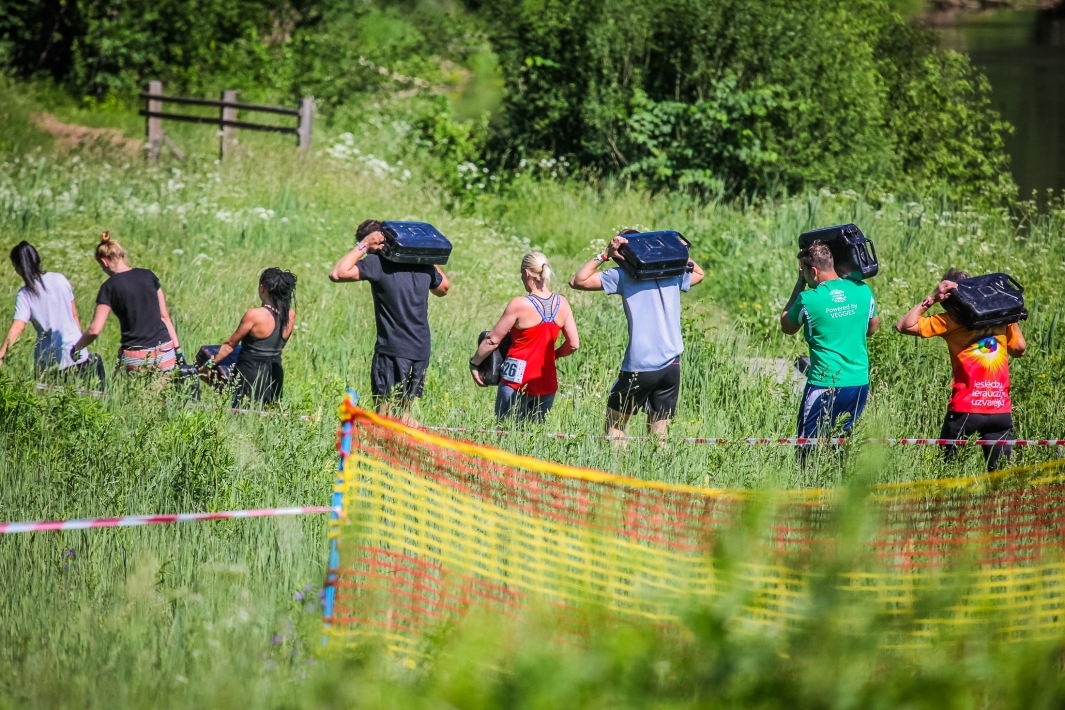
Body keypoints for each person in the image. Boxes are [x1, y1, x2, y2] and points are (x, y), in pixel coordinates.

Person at [570, 229, 704, 440]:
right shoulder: (672, 273)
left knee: (615, 426)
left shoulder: (623, 275)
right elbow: (699, 274)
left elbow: (578, 281)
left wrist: (605, 254)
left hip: (641, 364)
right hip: (672, 363)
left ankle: (618, 462)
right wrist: (676, 251)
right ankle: (659, 462)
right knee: (659, 437)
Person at [894, 268, 1026, 471]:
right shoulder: (999, 320)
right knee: (1000, 479)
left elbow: (904, 325)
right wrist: (1008, 314)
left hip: (965, 409)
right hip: (999, 408)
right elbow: (1019, 350)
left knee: (946, 472)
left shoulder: (950, 321)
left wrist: (932, 298)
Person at [329, 219, 450, 424]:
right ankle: (415, 442)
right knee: (404, 414)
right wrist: (423, 255)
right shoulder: (424, 266)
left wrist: (363, 245)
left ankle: (388, 444)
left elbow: (337, 273)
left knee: (384, 416)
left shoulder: (376, 262)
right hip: (420, 350)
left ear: (377, 243)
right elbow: (444, 288)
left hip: (393, 351)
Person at [780, 241, 878, 451]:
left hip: (824, 385)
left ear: (814, 271)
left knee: (807, 447)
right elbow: (871, 328)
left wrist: (800, 283)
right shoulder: (862, 290)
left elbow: (787, 326)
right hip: (858, 383)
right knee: (839, 444)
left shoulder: (808, 299)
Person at [469, 252, 579, 423]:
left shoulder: (519, 304)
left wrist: (474, 363)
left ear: (527, 273)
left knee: (506, 431)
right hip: (546, 381)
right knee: (535, 434)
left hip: (516, 381)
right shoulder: (562, 303)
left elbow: (492, 340)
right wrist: (551, 356)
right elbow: (573, 344)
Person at [69, 232, 183, 373]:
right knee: (160, 388)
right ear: (122, 256)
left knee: (120, 387)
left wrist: (77, 348)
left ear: (104, 261)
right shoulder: (149, 275)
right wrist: (178, 350)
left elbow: (94, 330)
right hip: (165, 351)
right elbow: (165, 317)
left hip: (136, 356)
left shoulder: (109, 287)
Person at [0, 241, 104, 384]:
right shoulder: (60, 279)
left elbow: (18, 327)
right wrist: (79, 344)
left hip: (51, 362)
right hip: (78, 352)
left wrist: (2, 355)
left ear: (19, 267)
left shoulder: (25, 294)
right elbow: (74, 315)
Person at [202, 268, 296, 408]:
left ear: (262, 288)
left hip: (250, 375)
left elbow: (229, 345)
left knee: (242, 413)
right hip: (275, 374)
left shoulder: (254, 315)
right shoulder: (290, 315)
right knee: (269, 414)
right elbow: (279, 348)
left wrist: (208, 365)